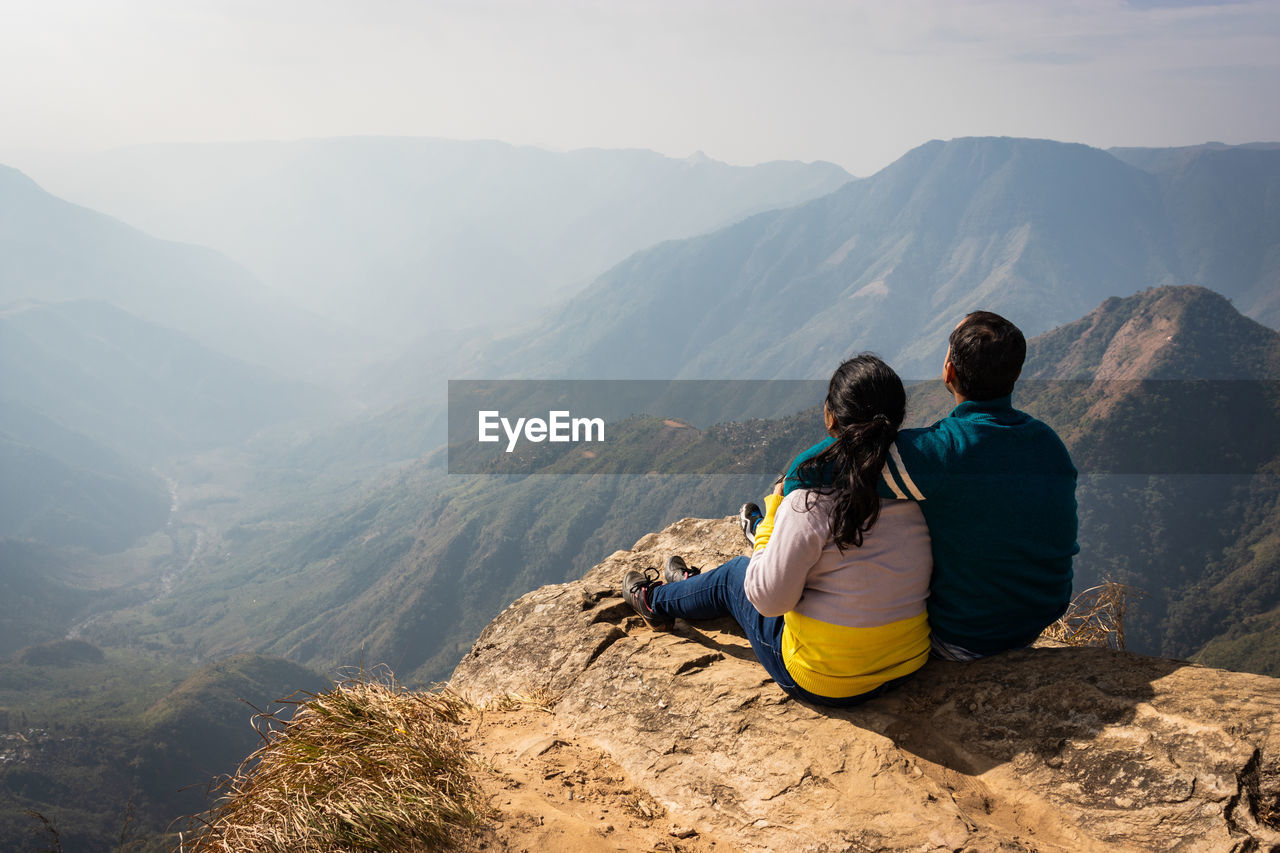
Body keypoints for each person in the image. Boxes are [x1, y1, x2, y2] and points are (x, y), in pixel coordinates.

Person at [621, 354, 933, 708]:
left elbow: (769, 601)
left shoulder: (811, 501)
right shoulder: (917, 494)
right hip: (909, 662)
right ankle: (691, 586)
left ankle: (655, 602)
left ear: (831, 415)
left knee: (733, 578)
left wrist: (774, 513)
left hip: (829, 681)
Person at [785, 311, 1078, 660]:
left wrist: (782, 507)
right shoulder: (1048, 442)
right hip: (1036, 619)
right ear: (1014, 374)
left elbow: (806, 472)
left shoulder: (941, 453)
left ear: (949, 371)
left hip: (966, 636)